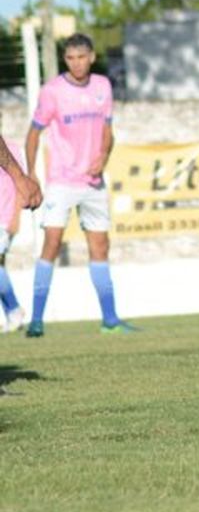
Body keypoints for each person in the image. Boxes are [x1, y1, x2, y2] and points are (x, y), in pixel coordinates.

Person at [24, 34, 133, 336]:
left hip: (93, 181)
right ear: (65, 60)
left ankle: (110, 319)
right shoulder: (52, 91)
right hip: (62, 181)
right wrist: (31, 174)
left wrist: (103, 157)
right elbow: (33, 134)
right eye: (70, 58)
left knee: (100, 245)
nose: (76, 63)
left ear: (92, 57)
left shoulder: (103, 86)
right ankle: (36, 320)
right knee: (52, 243)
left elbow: (108, 130)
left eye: (81, 57)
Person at [0, 137, 38, 333]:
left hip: (4, 216)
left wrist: (15, 217)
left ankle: (14, 309)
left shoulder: (11, 148)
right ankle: (11, 313)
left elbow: (19, 183)